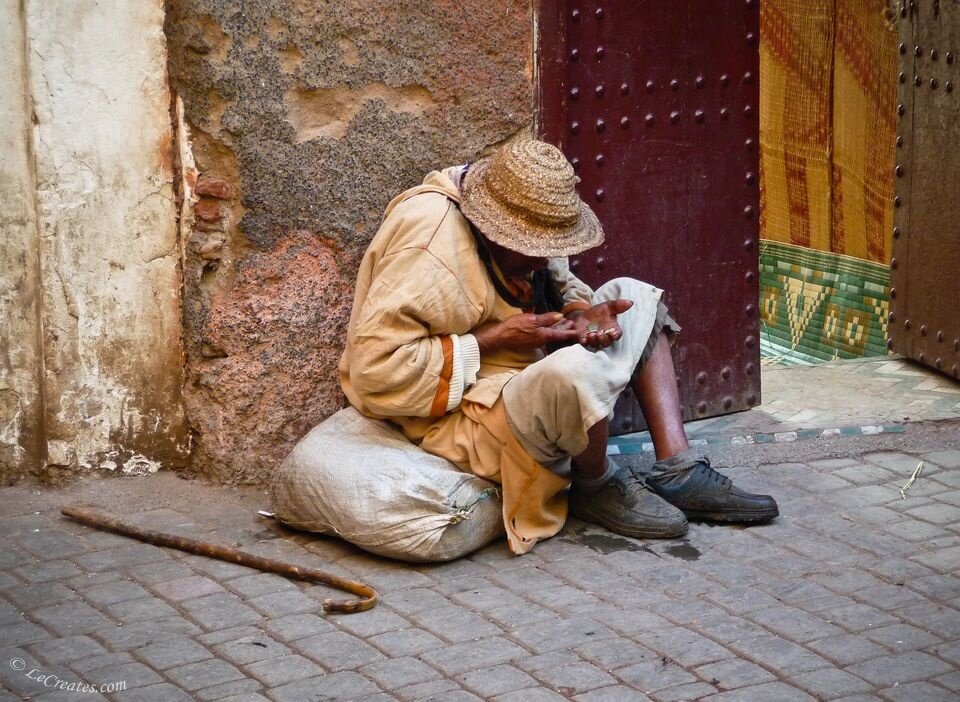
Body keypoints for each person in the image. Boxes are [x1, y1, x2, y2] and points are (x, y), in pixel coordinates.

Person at [339, 137, 777, 555]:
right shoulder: (430, 248)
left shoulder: (517, 208)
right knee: (575, 372)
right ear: (495, 229)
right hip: (463, 414)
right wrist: (494, 340)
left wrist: (582, 313)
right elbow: (374, 370)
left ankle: (676, 468)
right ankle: (595, 484)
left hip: (524, 374)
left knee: (634, 298)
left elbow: (556, 278)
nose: (542, 259)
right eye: (533, 249)